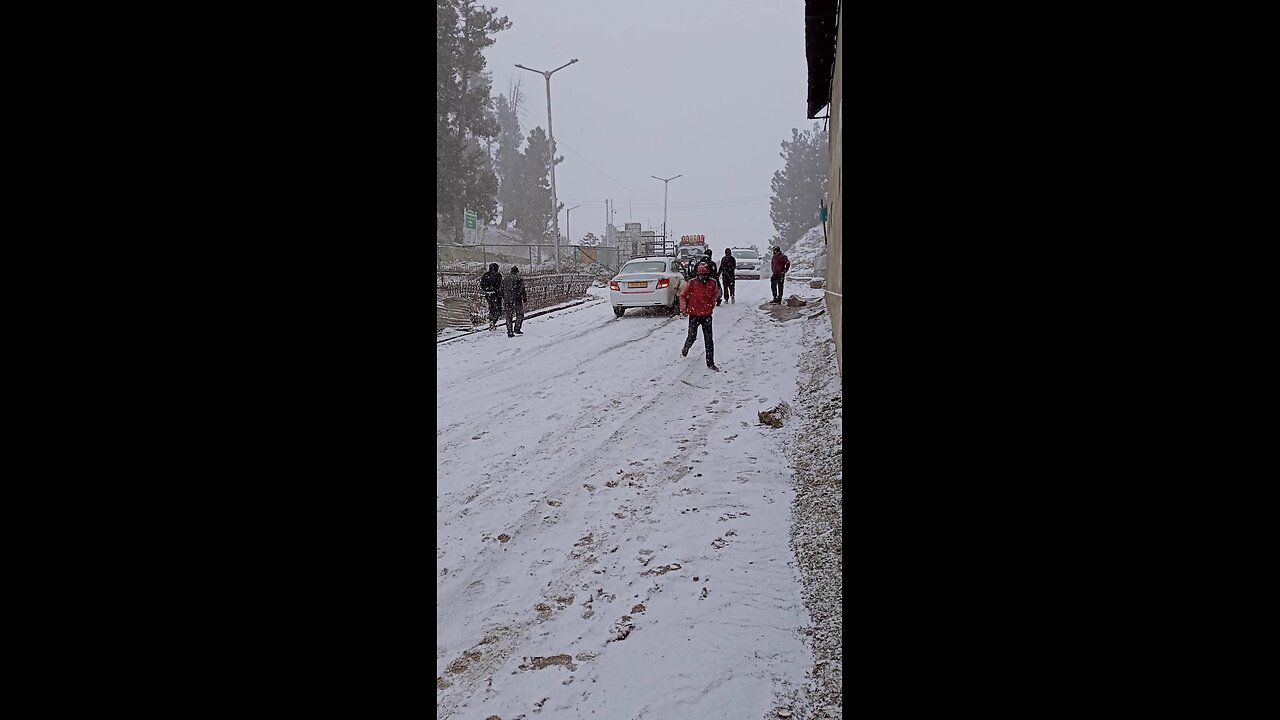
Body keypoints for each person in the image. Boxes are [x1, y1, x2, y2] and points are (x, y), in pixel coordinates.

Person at [679, 261, 720, 372]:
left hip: (706, 315)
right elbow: (683, 295)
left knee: (709, 340)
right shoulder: (692, 283)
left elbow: (716, 294)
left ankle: (710, 363)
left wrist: (712, 303)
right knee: (692, 336)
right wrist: (684, 308)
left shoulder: (713, 283)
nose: (703, 278)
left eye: (705, 275)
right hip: (694, 315)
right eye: (701, 275)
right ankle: (687, 346)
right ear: (697, 275)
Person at [501, 266, 528, 337]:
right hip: (517, 299)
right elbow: (522, 290)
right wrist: (524, 299)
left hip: (507, 300)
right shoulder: (519, 279)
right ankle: (517, 328)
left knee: (509, 316)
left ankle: (509, 331)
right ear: (517, 272)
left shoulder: (505, 279)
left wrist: (504, 297)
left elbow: (501, 289)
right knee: (520, 314)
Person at [479, 263, 503, 331]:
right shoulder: (498, 275)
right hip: (496, 295)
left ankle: (492, 321)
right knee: (498, 310)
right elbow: (500, 285)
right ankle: (493, 322)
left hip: (488, 294)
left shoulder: (485, 275)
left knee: (491, 308)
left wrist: (487, 290)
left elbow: (482, 284)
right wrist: (497, 291)